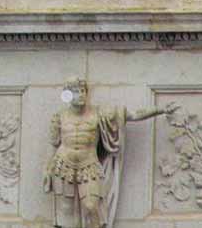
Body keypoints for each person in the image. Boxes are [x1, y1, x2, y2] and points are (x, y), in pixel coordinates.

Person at [43, 77, 178, 228]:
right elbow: (53, 144)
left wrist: (160, 109)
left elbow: (132, 115)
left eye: (82, 91)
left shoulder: (99, 114)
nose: (81, 95)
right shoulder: (59, 117)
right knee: (66, 211)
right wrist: (47, 169)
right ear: (67, 95)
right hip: (64, 165)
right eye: (76, 92)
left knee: (90, 205)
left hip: (88, 165)